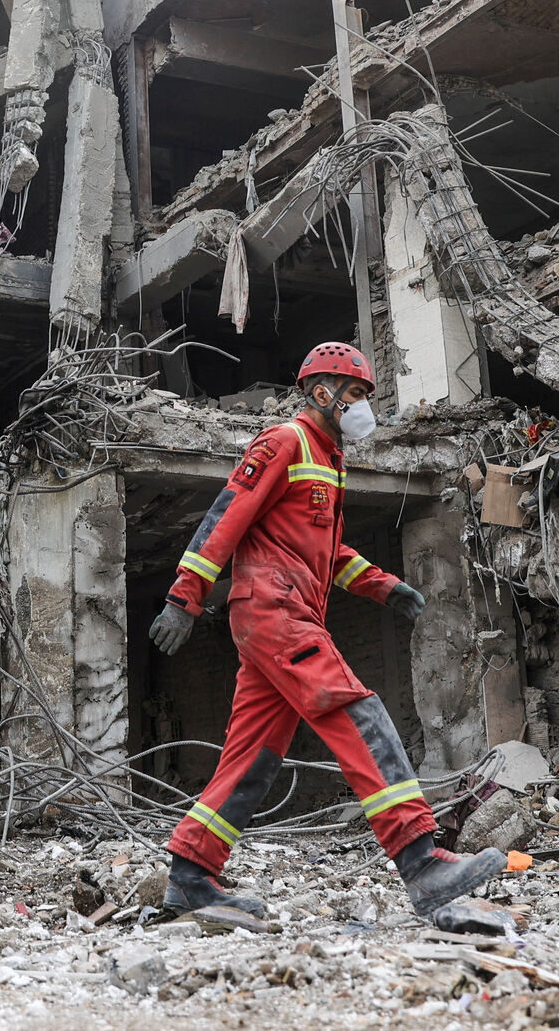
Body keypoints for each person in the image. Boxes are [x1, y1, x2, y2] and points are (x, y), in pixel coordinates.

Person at [149, 342, 507, 921]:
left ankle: (191, 875)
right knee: (357, 714)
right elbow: (225, 516)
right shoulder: (284, 442)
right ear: (323, 393)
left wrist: (383, 586)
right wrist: (183, 598)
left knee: (252, 756)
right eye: (358, 394)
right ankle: (422, 862)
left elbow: (327, 551)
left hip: (287, 614)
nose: (365, 406)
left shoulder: (329, 458)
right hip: (275, 612)